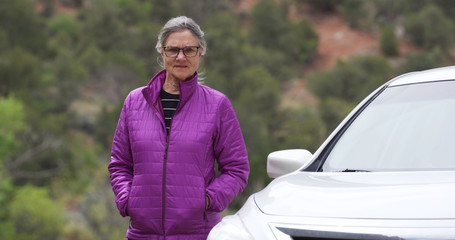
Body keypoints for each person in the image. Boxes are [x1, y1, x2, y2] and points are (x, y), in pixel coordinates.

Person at [108, 16, 250, 240]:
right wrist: (128, 200)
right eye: (173, 50)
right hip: (142, 234)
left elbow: (237, 169)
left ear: (200, 52)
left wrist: (206, 201)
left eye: (189, 50)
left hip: (198, 233)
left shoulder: (217, 105)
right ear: (162, 52)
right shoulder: (134, 102)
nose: (181, 57)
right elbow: (120, 165)